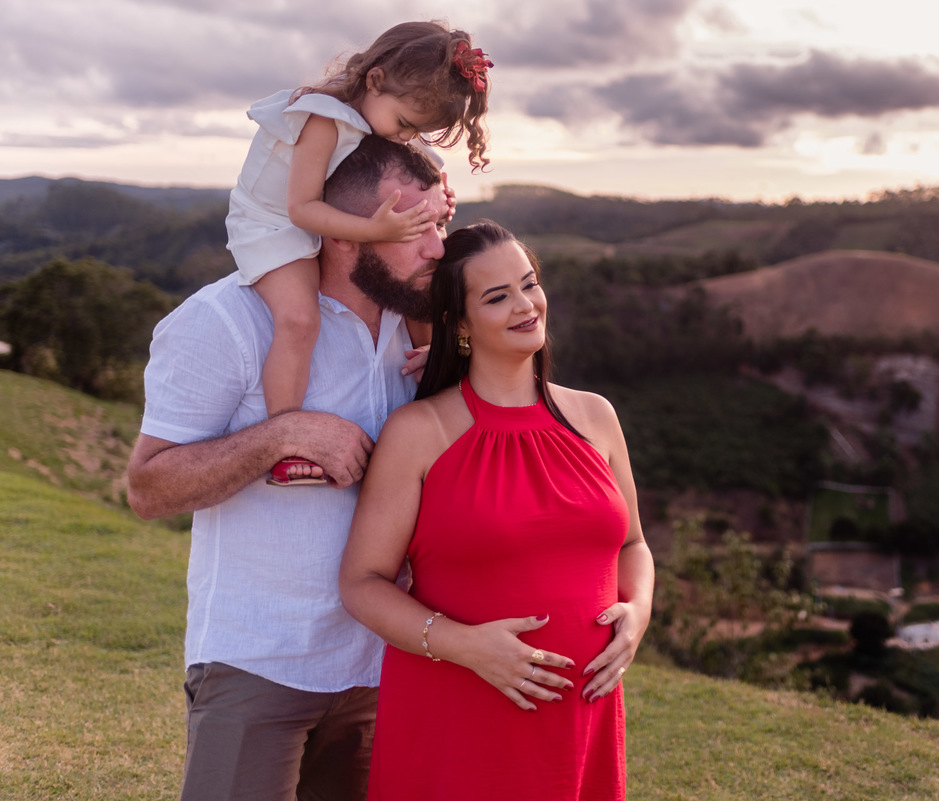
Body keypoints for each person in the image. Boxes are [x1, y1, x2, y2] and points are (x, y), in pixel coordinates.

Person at [126, 135, 449, 801]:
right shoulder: (227, 319)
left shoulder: (423, 329)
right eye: (417, 228)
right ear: (346, 235)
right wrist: (284, 433)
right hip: (257, 661)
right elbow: (149, 487)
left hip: (383, 666)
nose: (437, 248)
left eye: (441, 222)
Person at [339, 221, 655, 800]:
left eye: (528, 284)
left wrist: (637, 614)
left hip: (581, 717)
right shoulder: (419, 431)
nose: (525, 305)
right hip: (458, 716)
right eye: (496, 296)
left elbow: (633, 544)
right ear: (459, 325)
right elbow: (362, 583)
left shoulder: (596, 416)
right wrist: (465, 645)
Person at [225, 20, 492, 485]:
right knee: (299, 320)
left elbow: (418, 169)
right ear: (374, 80)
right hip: (273, 225)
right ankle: (287, 437)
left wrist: (436, 204)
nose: (406, 137)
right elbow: (301, 208)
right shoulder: (324, 117)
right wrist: (373, 229)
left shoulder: (378, 118)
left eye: (417, 131)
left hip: (329, 223)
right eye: (406, 124)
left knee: (417, 285)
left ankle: (435, 370)